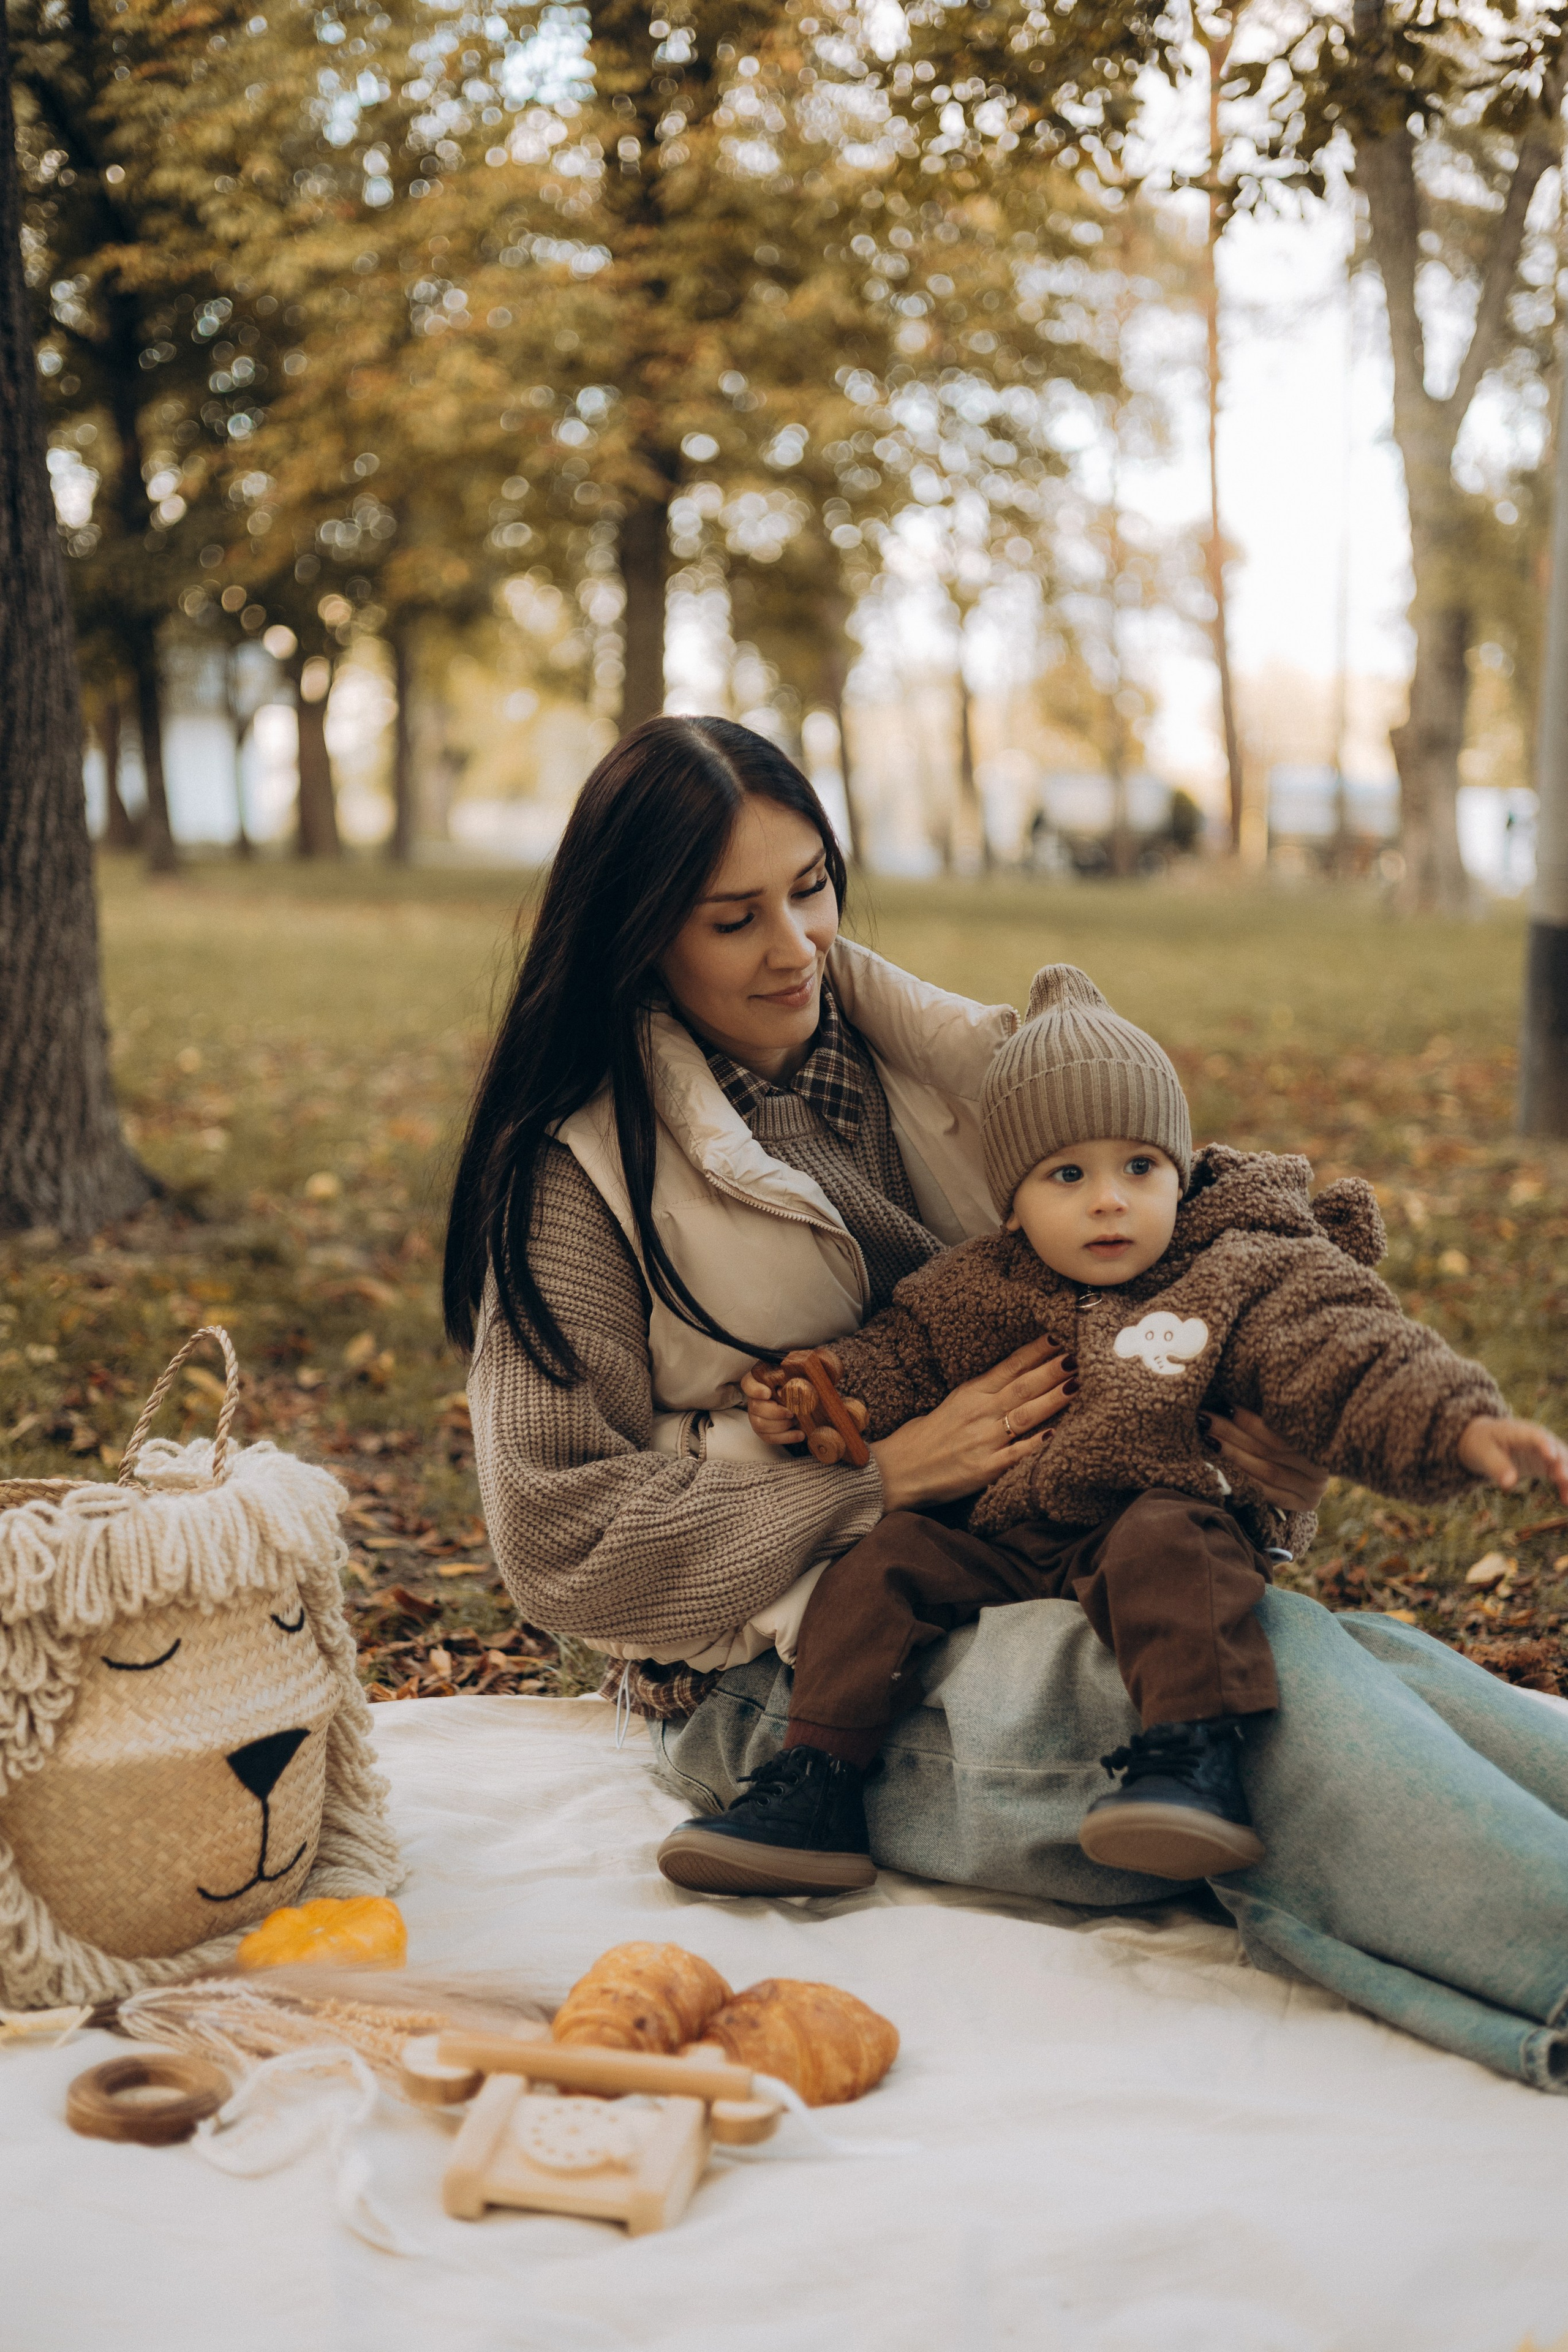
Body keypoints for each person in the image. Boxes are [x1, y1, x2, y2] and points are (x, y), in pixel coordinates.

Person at [448, 715, 1568, 2096]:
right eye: (731, 918)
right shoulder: (572, 1178)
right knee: (1276, 1713)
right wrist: (872, 1480)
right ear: (638, 935)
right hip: (799, 1684)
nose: (793, 945)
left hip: (1058, 1560)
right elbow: (554, 1536)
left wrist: (1262, 1462)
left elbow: (1195, 1301)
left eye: (810, 888)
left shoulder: (965, 1075)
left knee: (1337, 1658)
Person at [655, 965, 1568, 1896]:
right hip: (1005, 1536)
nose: (1109, 1200)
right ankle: (820, 1780)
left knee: (1176, 1550)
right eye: (1067, 1174)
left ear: (1179, 1168)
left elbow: (1347, 1349)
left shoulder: (1237, 1268)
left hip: (1151, 1515)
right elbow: (904, 1352)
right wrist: (826, 1398)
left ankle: (1192, 1754)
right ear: (1013, 1204)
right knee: (878, 1563)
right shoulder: (986, 1283)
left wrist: (1460, 1426)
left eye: (1140, 1166)